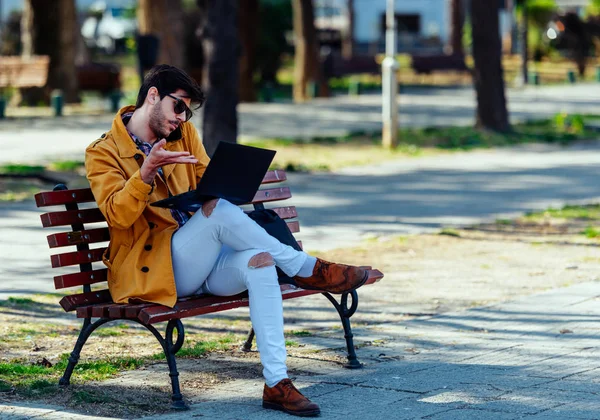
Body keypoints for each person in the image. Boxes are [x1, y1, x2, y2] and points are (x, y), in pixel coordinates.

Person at [85, 64, 369, 417]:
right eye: (179, 107)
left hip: (204, 258)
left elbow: (208, 185)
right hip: (157, 268)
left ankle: (277, 383)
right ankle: (303, 266)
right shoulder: (103, 151)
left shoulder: (183, 134)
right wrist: (145, 173)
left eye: (188, 111)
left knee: (261, 262)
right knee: (219, 211)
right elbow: (117, 215)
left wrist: (228, 181)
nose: (182, 118)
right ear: (153, 95)